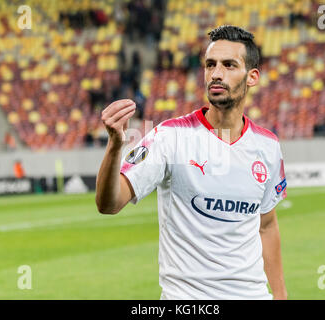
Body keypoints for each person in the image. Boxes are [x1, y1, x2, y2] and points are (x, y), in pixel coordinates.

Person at [96, 25, 288, 300]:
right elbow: (109, 204)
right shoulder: (170, 137)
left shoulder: (268, 146)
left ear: (252, 76)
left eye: (229, 65)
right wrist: (115, 145)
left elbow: (267, 225)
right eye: (210, 65)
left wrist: (280, 295)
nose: (216, 74)